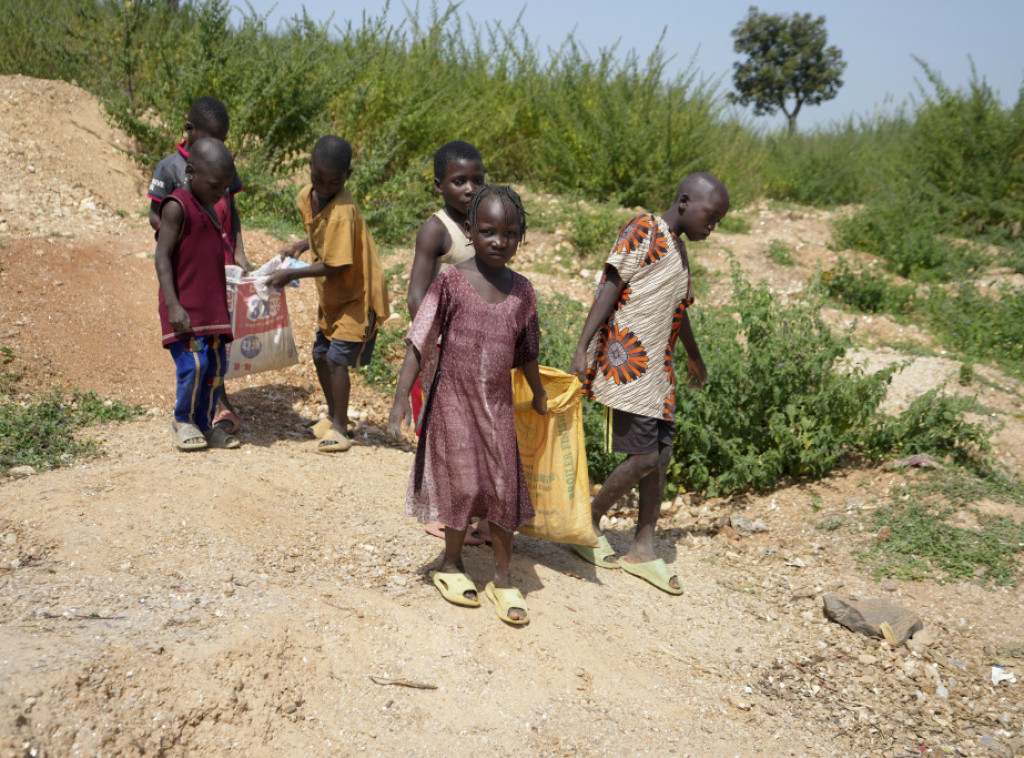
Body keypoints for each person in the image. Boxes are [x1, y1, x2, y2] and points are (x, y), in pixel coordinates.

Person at [389, 185, 548, 625]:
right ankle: (450, 564)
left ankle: (502, 577)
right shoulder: (451, 281)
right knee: (461, 483)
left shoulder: (523, 292)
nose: (500, 241)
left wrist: (537, 391)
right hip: (453, 401)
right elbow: (419, 338)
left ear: (521, 237)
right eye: (488, 231)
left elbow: (527, 351)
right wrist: (402, 397)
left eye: (511, 233)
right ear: (472, 232)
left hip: (496, 406)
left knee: (501, 486)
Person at [567, 172, 730, 595]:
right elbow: (610, 285)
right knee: (643, 458)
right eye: (709, 217)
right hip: (627, 364)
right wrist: (582, 347)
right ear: (683, 201)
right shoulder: (644, 229)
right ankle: (588, 518)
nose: (710, 228)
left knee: (661, 454)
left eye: (717, 222)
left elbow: (681, 308)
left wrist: (693, 355)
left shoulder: (678, 251)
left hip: (658, 372)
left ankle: (642, 547)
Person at [266, 136, 389, 453]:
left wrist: (292, 273)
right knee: (320, 354)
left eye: (333, 181)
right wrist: (301, 245)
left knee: (336, 360)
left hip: (357, 297)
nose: (324, 186)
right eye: (318, 178)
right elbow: (321, 234)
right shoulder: (309, 197)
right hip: (334, 297)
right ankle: (337, 417)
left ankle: (339, 427)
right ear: (310, 169)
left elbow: (337, 264)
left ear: (347, 176)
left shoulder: (343, 211)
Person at [147, 96, 250, 437]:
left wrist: (238, 251)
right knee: (195, 360)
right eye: (215, 188)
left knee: (215, 360)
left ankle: (208, 419)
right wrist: (177, 234)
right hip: (186, 280)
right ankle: (185, 420)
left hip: (212, 285)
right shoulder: (172, 178)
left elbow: (230, 212)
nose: (221, 193)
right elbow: (158, 226)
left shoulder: (218, 173)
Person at [408, 140, 486, 545]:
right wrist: (433, 348)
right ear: (440, 185)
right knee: (446, 437)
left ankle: (476, 514)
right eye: (459, 181)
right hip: (448, 352)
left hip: (485, 353)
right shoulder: (437, 230)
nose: (470, 188)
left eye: (477, 179)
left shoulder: (486, 223)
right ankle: (441, 514)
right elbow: (416, 296)